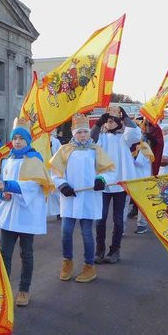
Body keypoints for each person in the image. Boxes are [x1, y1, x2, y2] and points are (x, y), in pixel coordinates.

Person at [0, 116, 54, 306]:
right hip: (9, 214)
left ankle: (24, 289)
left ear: (28, 140)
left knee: (26, 253)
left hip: (27, 214)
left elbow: (33, 186)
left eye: (21, 138)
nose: (17, 141)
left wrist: (8, 186)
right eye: (15, 138)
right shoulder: (6, 160)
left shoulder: (34, 160)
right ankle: (3, 289)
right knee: (5, 253)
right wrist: (2, 194)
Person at [49, 113, 115, 283]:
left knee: (87, 233)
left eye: (85, 132)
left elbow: (109, 171)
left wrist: (102, 179)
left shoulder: (96, 150)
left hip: (89, 197)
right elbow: (55, 172)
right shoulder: (64, 150)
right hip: (70, 197)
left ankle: (89, 266)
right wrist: (62, 185)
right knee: (66, 232)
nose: (83, 135)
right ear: (74, 133)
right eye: (79, 132)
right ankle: (67, 261)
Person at [90, 105, 141, 263]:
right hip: (103, 183)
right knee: (101, 218)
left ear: (119, 122)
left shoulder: (124, 138)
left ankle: (115, 250)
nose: (110, 123)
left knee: (118, 219)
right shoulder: (101, 138)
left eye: (113, 120)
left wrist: (125, 117)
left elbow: (135, 133)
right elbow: (91, 139)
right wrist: (98, 123)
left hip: (120, 183)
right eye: (108, 120)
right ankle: (99, 250)